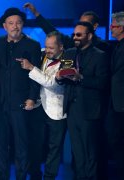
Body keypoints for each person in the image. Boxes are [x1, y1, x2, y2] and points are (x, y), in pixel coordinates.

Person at [0, 7, 41, 180]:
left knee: (22, 146)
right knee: (1, 147)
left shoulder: (32, 45)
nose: (15, 26)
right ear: (5, 26)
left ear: (23, 25)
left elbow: (36, 74)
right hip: (0, 103)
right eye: (11, 23)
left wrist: (32, 98)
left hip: (21, 103)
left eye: (18, 23)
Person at [55, 21, 109, 180]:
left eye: (79, 35)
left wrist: (81, 78)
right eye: (74, 34)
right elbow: (63, 77)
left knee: (90, 152)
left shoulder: (100, 56)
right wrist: (59, 78)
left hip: (89, 110)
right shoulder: (70, 53)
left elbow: (103, 83)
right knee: (77, 152)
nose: (75, 37)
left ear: (90, 36)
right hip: (72, 109)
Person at [19, 31, 67, 180]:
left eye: (51, 48)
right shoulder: (41, 54)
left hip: (57, 111)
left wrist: (31, 68)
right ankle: (34, 174)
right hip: (39, 108)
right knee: (35, 144)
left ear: (61, 47)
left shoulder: (67, 61)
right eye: (46, 47)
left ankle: (49, 176)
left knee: (54, 148)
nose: (48, 50)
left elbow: (53, 83)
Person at [23, 2, 110, 54]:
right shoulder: (73, 42)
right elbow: (53, 32)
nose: (81, 27)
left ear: (95, 26)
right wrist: (36, 13)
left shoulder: (102, 47)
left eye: (85, 24)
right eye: (80, 23)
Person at [107, 11, 124, 180]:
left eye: (113, 26)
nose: (111, 28)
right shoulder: (116, 46)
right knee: (115, 140)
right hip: (115, 103)